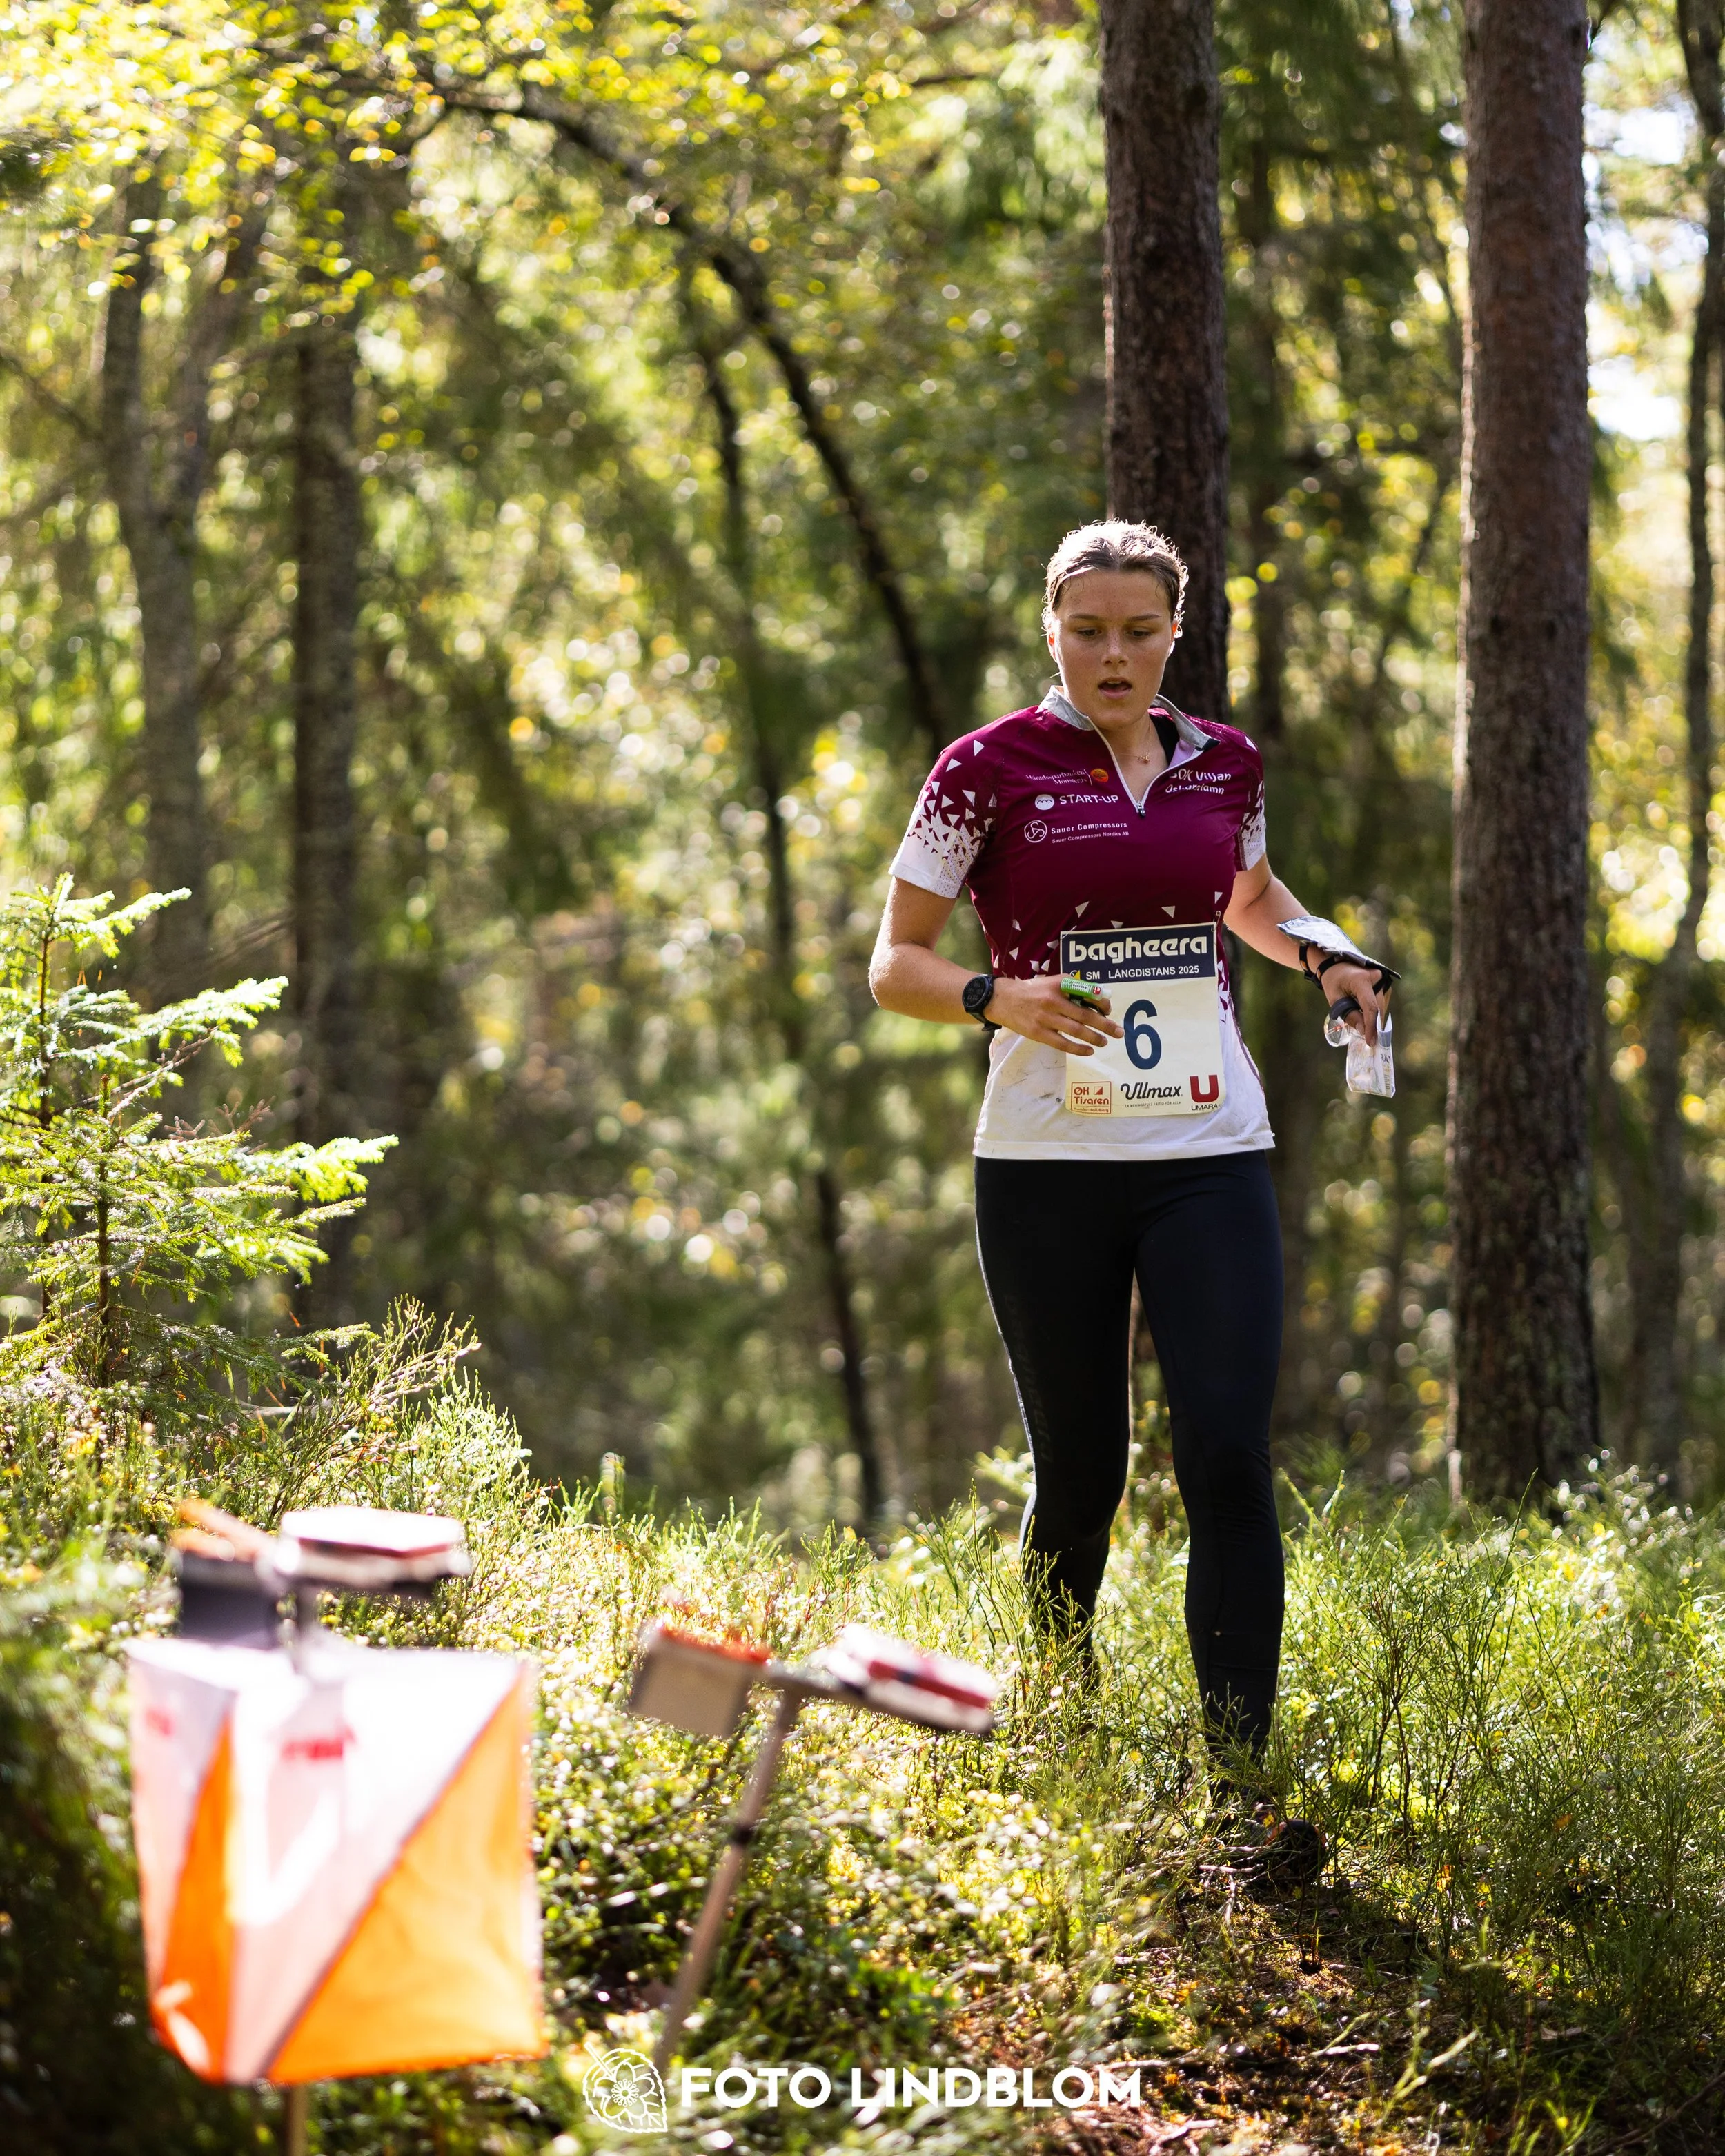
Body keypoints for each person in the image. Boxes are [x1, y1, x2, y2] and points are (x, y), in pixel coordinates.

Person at [868, 519, 1388, 1766]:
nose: (1114, 654)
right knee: (1082, 1474)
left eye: (1138, 632)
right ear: (1052, 631)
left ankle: (1240, 1772)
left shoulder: (1226, 764)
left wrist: (1327, 954)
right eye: (1088, 630)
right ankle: (1065, 1727)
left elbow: (1250, 904)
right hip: (1047, 1163)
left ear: (1173, 634)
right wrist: (1000, 998)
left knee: (1227, 1451)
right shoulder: (982, 770)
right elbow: (896, 966)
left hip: (1208, 1150)